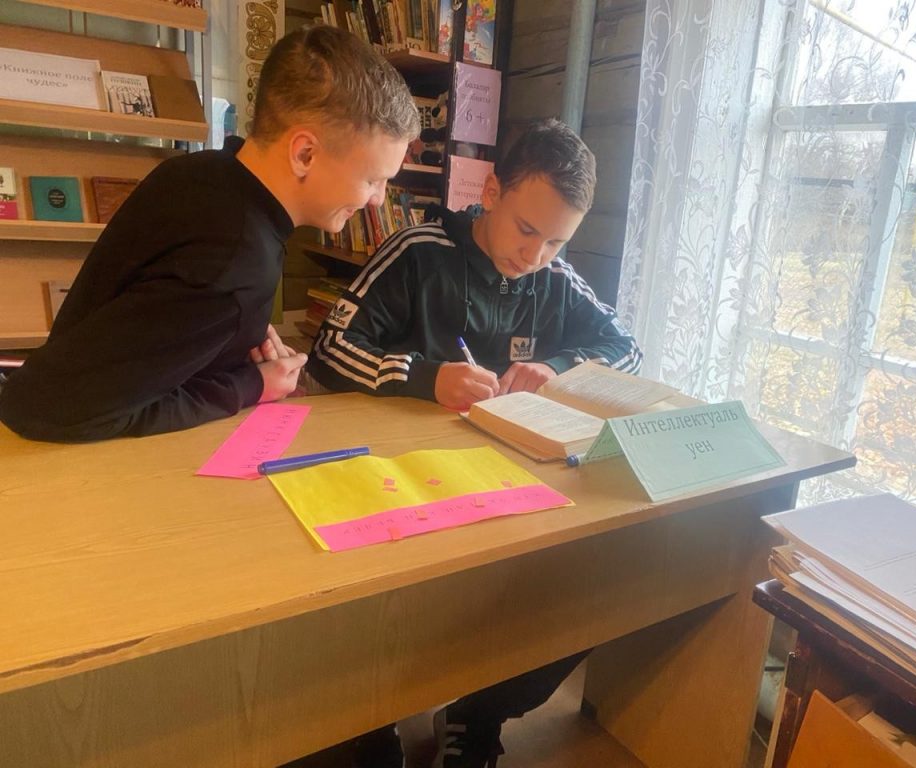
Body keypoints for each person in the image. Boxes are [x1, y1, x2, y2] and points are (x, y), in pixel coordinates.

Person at [305, 119, 641, 768]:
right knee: (368, 608)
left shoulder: (554, 276)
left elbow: (625, 348)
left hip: (504, 484)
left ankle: (478, 714)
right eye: (525, 229)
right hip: (399, 483)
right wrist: (424, 377)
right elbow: (331, 346)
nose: (535, 255)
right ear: (491, 192)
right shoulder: (419, 251)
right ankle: (364, 721)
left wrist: (557, 368)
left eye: (556, 241)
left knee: (594, 585)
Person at [0, 26, 419, 443]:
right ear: (305, 153)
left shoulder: (201, 171)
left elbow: (152, 316)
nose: (377, 201)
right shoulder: (235, 265)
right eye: (372, 179)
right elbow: (52, 409)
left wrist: (232, 340)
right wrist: (251, 386)